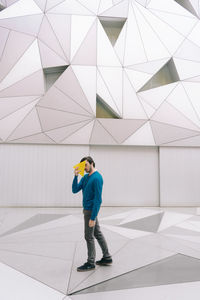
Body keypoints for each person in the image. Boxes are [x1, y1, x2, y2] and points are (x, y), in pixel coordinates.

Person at [72, 156, 112, 272]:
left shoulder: (97, 178)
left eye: (85, 165)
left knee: (88, 236)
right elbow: (74, 190)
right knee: (97, 233)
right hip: (88, 210)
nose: (84, 168)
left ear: (92, 163)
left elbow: (98, 200)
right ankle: (107, 257)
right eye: (82, 166)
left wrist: (93, 217)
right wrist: (75, 176)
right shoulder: (85, 178)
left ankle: (91, 262)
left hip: (90, 211)